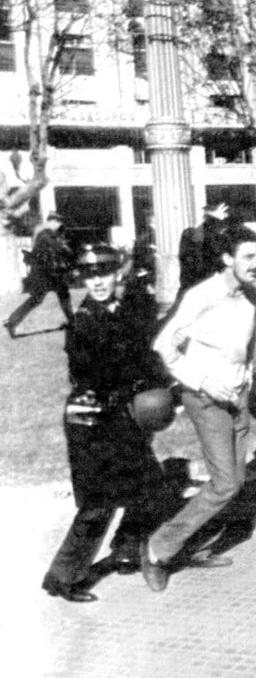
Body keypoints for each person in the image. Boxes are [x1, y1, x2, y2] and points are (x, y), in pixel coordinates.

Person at [41, 243, 181, 603]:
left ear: (117, 273)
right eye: (90, 275)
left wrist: (163, 387)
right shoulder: (85, 321)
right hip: (91, 419)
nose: (97, 281)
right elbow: (99, 373)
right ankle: (62, 578)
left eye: (104, 273)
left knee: (148, 485)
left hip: (119, 414)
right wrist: (144, 386)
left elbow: (145, 351)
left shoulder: (124, 308)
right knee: (98, 503)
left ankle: (125, 549)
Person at [140, 225, 256, 591]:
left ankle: (192, 544)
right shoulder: (202, 295)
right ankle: (157, 549)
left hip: (238, 398)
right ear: (227, 259)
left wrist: (247, 383)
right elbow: (164, 345)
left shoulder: (251, 296)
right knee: (226, 484)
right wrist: (203, 381)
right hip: (206, 399)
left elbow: (248, 346)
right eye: (249, 256)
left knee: (234, 481)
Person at [179, 202, 256, 418]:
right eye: (222, 212)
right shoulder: (193, 234)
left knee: (233, 350)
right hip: (200, 301)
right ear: (209, 212)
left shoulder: (214, 233)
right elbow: (205, 253)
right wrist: (214, 222)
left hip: (216, 299)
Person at [5, 212, 73, 337]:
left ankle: (73, 322)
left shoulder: (45, 232)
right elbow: (58, 248)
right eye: (58, 223)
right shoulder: (45, 233)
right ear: (52, 221)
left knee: (62, 294)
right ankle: (12, 322)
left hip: (48, 272)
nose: (59, 225)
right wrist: (66, 249)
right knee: (37, 299)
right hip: (43, 272)